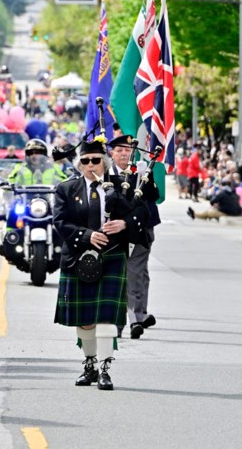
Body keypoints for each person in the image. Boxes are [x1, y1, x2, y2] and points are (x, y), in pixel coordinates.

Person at [53, 138, 152, 390]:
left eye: (95, 160)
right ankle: (90, 364)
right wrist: (87, 236)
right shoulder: (66, 189)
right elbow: (60, 222)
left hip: (112, 255)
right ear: (79, 165)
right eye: (84, 161)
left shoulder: (122, 185)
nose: (90, 165)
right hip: (78, 255)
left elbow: (143, 212)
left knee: (107, 317)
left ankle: (105, 369)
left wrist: (124, 223)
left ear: (104, 162)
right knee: (85, 319)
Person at [106, 134, 160, 340]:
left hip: (139, 232)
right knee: (119, 277)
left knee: (136, 275)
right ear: (112, 153)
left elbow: (152, 198)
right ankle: (120, 322)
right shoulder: (106, 176)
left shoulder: (140, 174)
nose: (123, 154)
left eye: (127, 150)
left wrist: (149, 176)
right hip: (114, 234)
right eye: (119, 150)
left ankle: (136, 318)